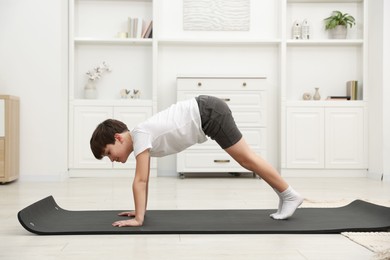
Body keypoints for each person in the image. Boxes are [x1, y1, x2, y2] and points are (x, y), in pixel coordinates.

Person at [90, 95, 303, 227]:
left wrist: (138, 220)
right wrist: (139, 212)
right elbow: (143, 180)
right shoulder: (140, 137)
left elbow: (141, 180)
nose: (112, 159)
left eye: (109, 153)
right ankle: (285, 195)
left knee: (247, 160)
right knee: (247, 159)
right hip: (207, 111)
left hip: (209, 113)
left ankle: (290, 195)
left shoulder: (140, 135)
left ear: (118, 138)